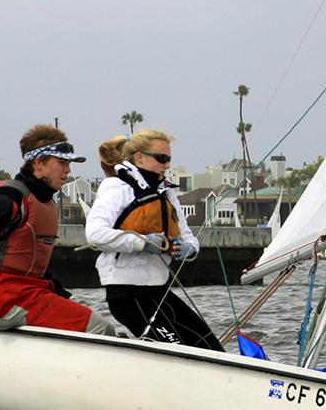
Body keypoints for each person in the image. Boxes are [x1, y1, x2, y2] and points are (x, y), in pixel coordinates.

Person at [0, 124, 114, 335]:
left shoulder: (44, 203)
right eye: (61, 163)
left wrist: (62, 297)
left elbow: (30, 262)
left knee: (88, 318)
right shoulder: (7, 200)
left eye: (69, 163)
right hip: (8, 302)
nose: (68, 170)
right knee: (101, 328)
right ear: (38, 164)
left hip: (31, 295)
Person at [85, 129, 224, 351]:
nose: (167, 165)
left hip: (157, 289)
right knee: (178, 352)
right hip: (127, 294)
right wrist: (143, 242)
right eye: (162, 159)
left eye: (169, 159)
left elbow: (187, 235)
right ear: (139, 157)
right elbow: (95, 234)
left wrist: (188, 249)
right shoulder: (117, 186)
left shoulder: (165, 192)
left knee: (212, 349)